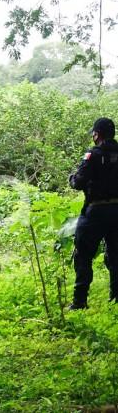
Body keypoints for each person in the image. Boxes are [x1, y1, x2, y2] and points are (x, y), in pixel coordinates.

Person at [68, 117, 118, 310]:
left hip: (96, 211)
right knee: (116, 256)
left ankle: (80, 302)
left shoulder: (93, 154)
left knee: (83, 255)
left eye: (94, 133)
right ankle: (115, 299)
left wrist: (71, 178)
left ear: (98, 134)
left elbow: (78, 182)